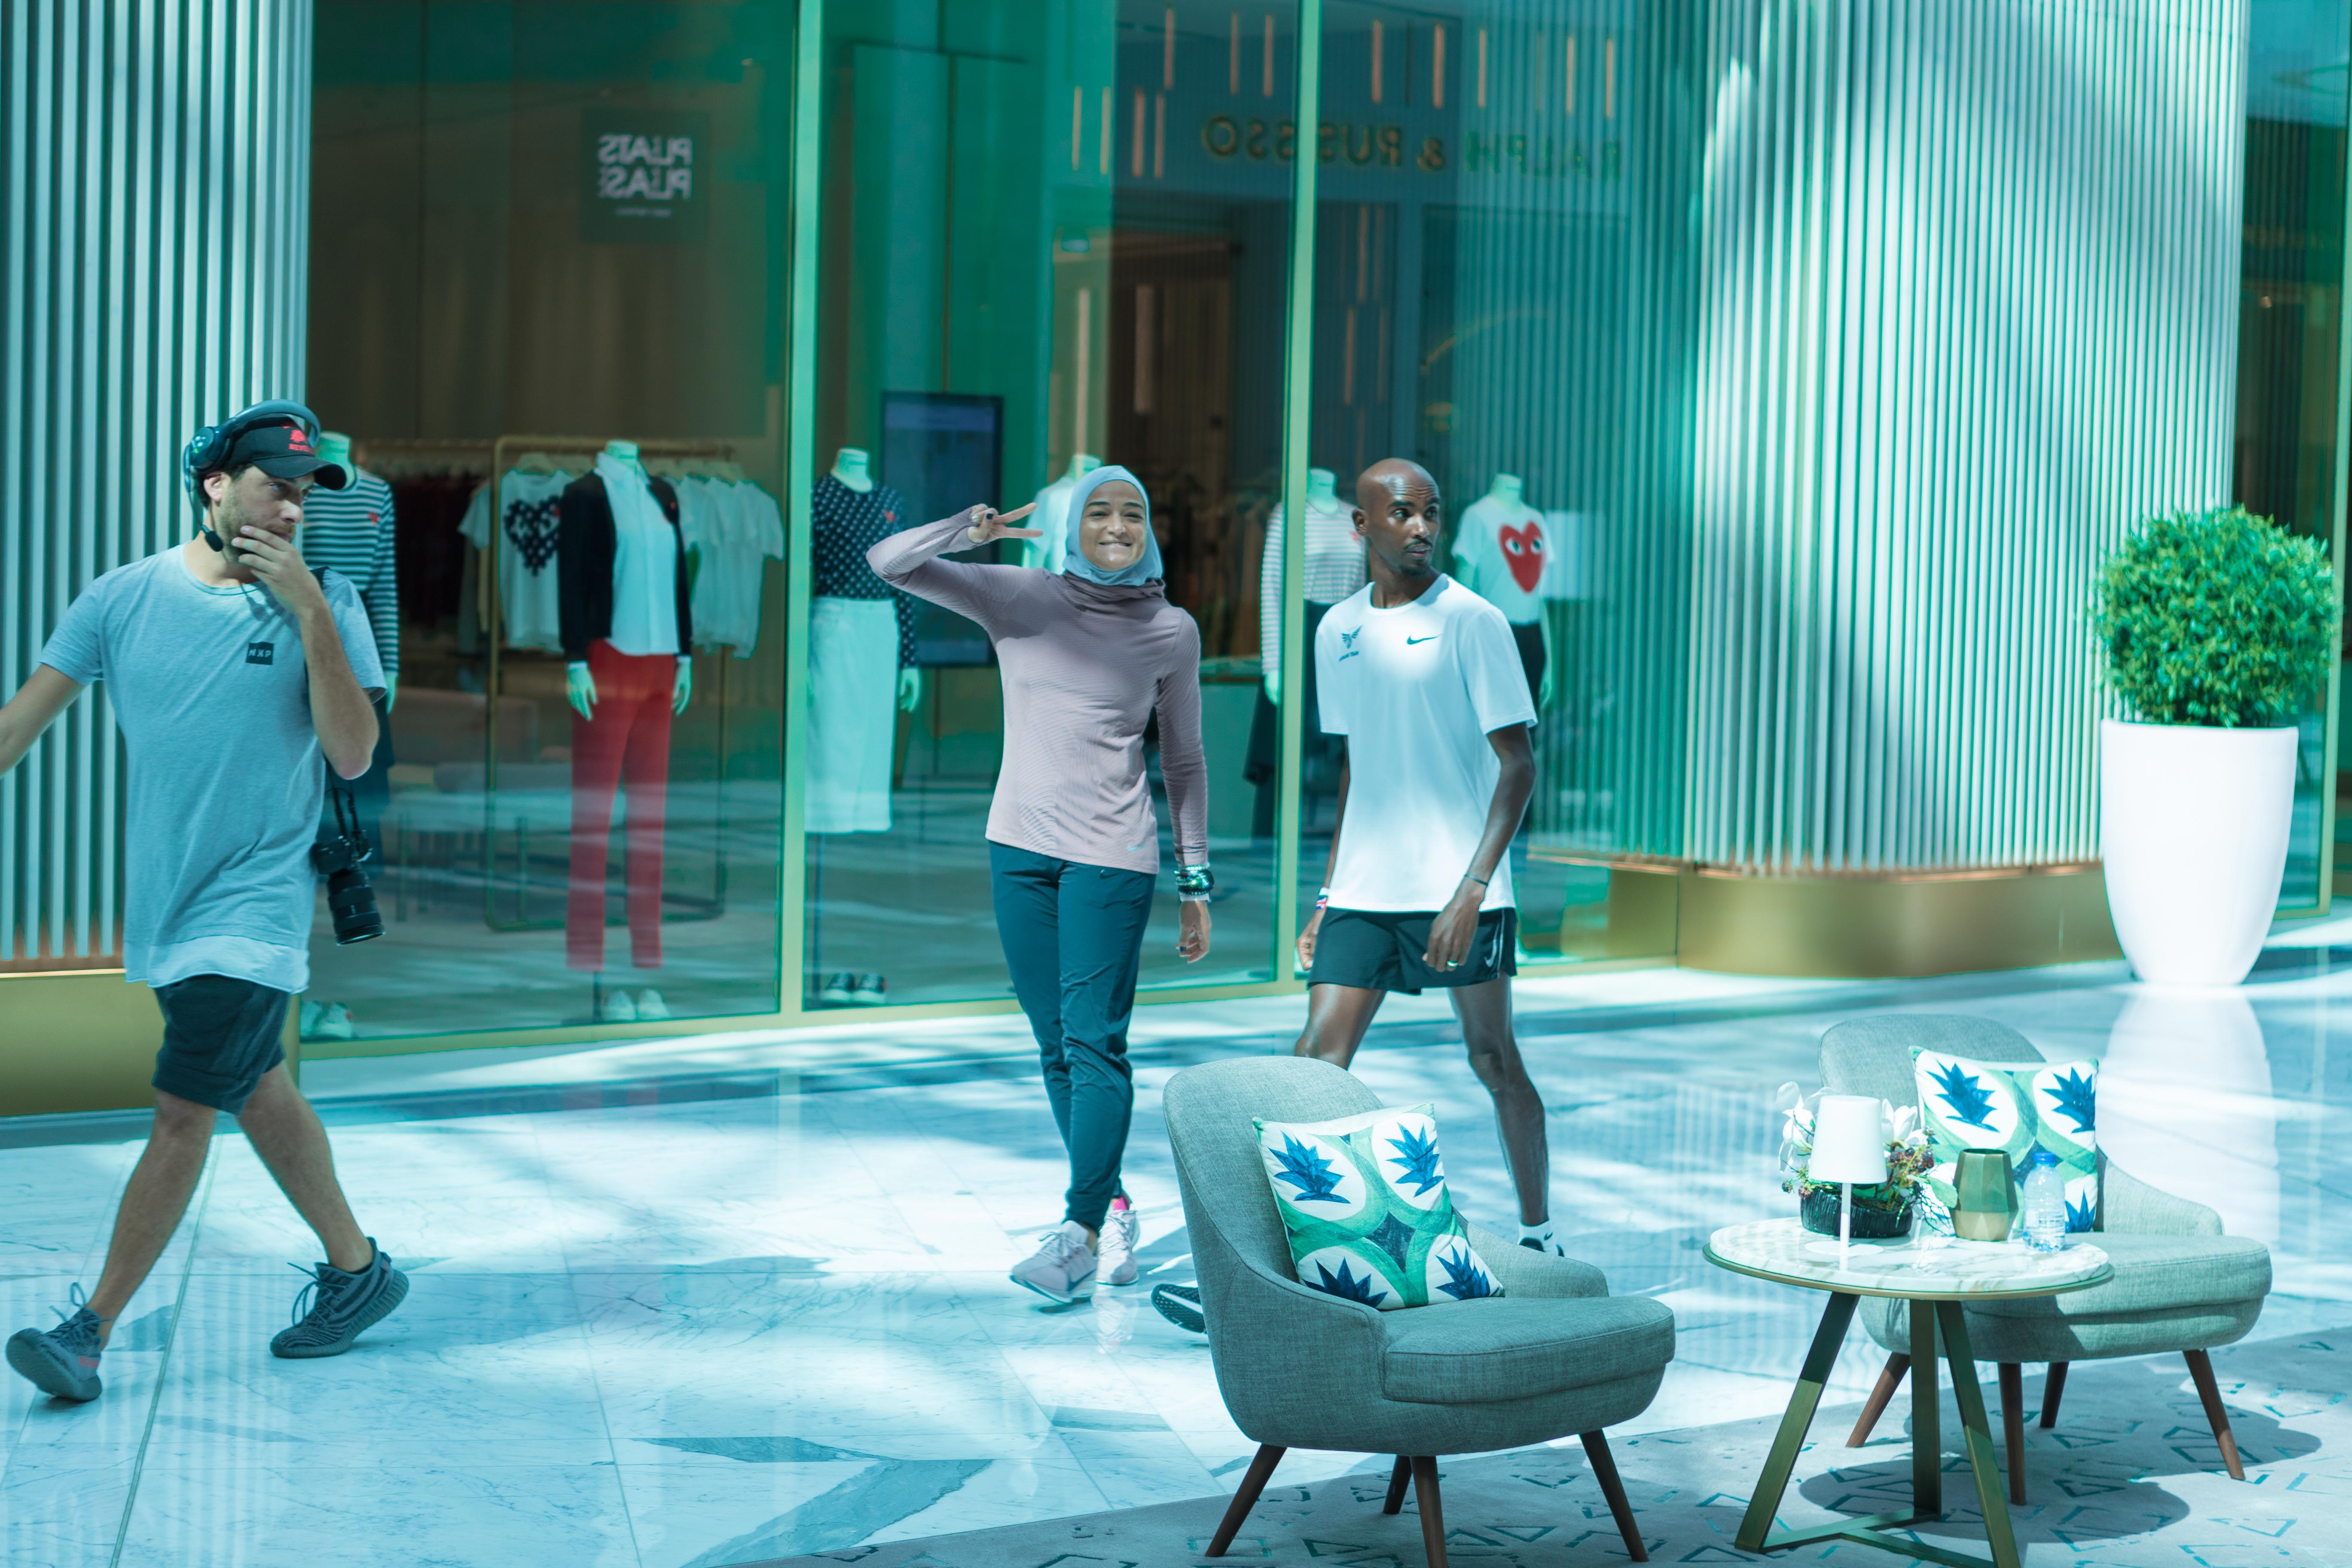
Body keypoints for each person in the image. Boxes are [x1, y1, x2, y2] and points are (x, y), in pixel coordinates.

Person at [0, 403, 409, 1403]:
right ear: (216, 485)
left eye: (304, 494)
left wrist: (311, 613)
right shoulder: (122, 599)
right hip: (168, 908)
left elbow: (354, 752)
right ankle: (359, 1272)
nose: (293, 508)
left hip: (257, 903)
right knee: (257, 1088)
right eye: (276, 486)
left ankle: (88, 1334)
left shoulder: (328, 601)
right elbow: (17, 728)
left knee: (185, 1109)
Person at [1148, 456, 1548, 1339]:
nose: (1421, 527)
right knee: (1310, 1068)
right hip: (1368, 886)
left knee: (1495, 1060)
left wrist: (1471, 890)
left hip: (1462, 886)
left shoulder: (1475, 622)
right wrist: (1328, 894)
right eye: (1402, 513)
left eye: (1431, 512)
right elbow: (1358, 769)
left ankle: (1540, 1237)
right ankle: (1255, 1273)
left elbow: (1519, 765)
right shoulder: (1337, 629)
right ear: (1362, 526)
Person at [870, 465, 1211, 1304]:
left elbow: (1184, 762)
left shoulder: (1171, 630)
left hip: (1112, 858)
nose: (1118, 525)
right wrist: (967, 530)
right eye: (1100, 511)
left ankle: (1079, 1232)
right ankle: (1112, 1203)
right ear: (1073, 526)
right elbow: (889, 563)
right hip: (1018, 852)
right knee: (1056, 1043)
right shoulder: (1020, 596)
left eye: (1133, 513)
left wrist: (1195, 881)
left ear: (1148, 531)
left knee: (1094, 1041)